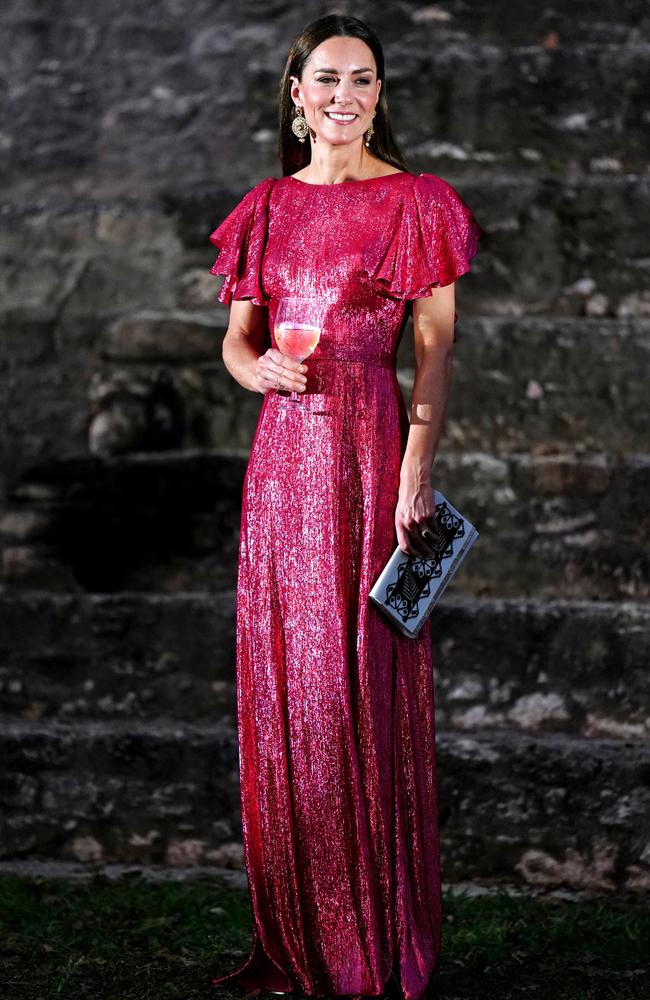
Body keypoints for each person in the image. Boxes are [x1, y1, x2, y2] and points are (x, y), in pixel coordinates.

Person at [208, 13, 484, 1000]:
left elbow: (435, 349)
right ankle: (300, 932)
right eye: (325, 77)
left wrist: (416, 467)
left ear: (379, 93)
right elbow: (238, 343)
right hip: (282, 463)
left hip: (371, 450)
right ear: (295, 92)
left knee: (363, 680)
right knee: (297, 684)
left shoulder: (417, 201)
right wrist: (255, 371)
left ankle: (371, 936)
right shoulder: (266, 207)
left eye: (361, 79)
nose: (342, 94)